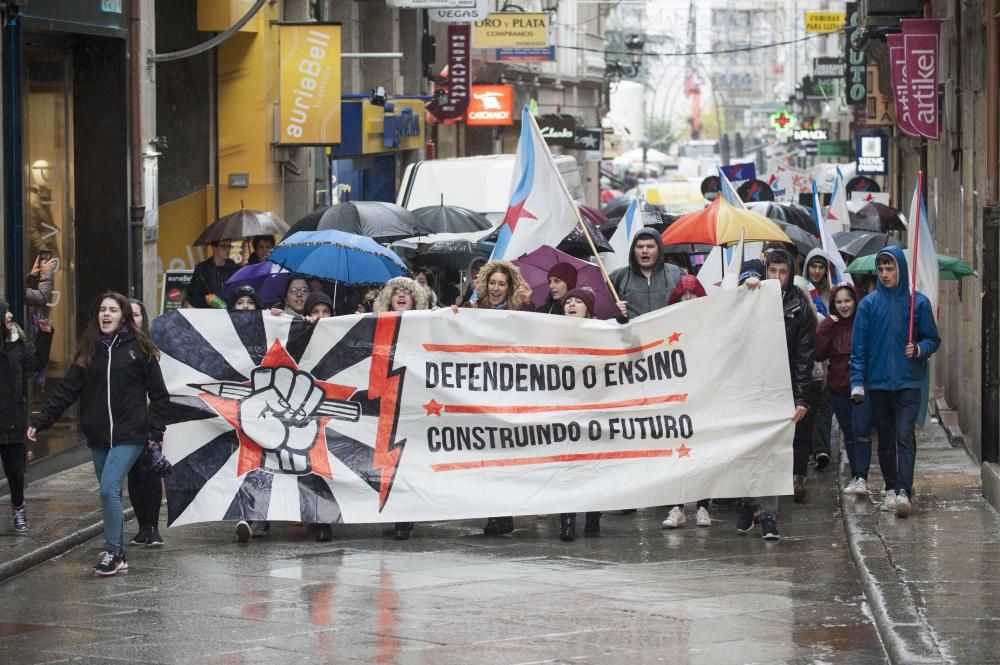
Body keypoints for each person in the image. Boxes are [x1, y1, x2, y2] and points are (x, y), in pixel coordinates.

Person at [28, 292, 169, 576]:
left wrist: (154, 430)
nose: (106, 314)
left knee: (108, 488)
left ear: (123, 316)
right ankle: (118, 551)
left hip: (131, 434)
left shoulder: (139, 347)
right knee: (110, 493)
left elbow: (160, 396)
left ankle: (113, 551)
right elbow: (67, 390)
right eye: (102, 309)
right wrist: (40, 421)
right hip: (99, 435)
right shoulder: (89, 350)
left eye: (113, 310)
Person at [850, 247, 940, 517]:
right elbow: (859, 347)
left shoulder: (918, 303)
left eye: (890, 268)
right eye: (881, 269)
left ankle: (904, 490)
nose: (886, 274)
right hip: (878, 384)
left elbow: (933, 339)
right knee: (886, 439)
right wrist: (857, 381)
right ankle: (890, 487)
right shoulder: (868, 305)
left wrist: (920, 349)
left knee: (904, 435)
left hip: (908, 382)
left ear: (900, 269)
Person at [739, 249, 814, 539]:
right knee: (749, 449)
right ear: (765, 270)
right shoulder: (752, 296)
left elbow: (804, 357)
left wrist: (801, 397)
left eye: (783, 272)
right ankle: (747, 502)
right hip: (748, 386)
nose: (777, 278)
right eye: (773, 271)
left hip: (779, 387)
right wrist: (747, 286)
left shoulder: (800, 306)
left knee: (773, 453)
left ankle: (769, 515)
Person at [457, 260, 532, 535]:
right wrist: (456, 314)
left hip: (509, 393)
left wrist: (528, 307)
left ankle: (505, 512)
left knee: (505, 457)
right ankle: (492, 512)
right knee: (485, 459)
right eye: (492, 283)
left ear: (509, 286)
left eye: (502, 284)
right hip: (480, 393)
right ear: (484, 283)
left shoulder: (519, 311)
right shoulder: (473, 309)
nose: (496, 288)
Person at [374, 276, 430, 540]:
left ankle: (405, 519)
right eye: (396, 290)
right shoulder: (374, 325)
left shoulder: (426, 325)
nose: (401, 294)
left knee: (409, 459)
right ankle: (399, 517)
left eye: (407, 292)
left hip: (415, 403)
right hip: (387, 401)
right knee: (390, 458)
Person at [661, 276, 713, 529]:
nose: (689, 299)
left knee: (703, 453)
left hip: (703, 398)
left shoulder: (710, 326)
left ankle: (703, 506)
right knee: (677, 454)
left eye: (693, 294)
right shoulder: (667, 326)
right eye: (684, 295)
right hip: (678, 400)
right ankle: (678, 506)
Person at [816, 285, 872, 497]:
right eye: (839, 302)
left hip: (861, 385)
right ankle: (856, 475)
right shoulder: (831, 325)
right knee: (848, 433)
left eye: (847, 300)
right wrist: (828, 324)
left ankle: (862, 476)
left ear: (855, 301)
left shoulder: (862, 322)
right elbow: (819, 353)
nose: (843, 305)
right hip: (838, 387)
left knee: (861, 432)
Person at [0, 302, 52, 533]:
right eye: (5, 312)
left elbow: (36, 363)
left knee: (14, 471)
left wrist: (44, 336)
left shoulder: (16, 343)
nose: (10, 314)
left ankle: (19, 508)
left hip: (12, 418)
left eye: (9, 309)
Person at [558, 287, 602, 540]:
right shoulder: (553, 331)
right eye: (568, 302)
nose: (572, 305)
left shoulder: (601, 332)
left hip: (593, 408)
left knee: (592, 465)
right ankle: (567, 520)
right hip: (565, 409)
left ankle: (594, 515)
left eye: (578, 302)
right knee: (567, 466)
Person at [125, 299, 166, 547]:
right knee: (133, 474)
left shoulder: (148, 348)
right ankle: (142, 526)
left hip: (149, 420)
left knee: (150, 472)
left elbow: (160, 391)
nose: (133, 319)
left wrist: (157, 426)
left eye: (137, 315)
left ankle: (152, 527)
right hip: (125, 422)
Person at [800, 249, 837, 472]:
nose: (816, 271)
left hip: (830, 360)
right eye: (813, 266)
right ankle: (813, 449)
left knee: (825, 407)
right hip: (809, 362)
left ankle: (821, 449)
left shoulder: (833, 294)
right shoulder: (800, 290)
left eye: (821, 267)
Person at [610, 228, 683, 320]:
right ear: (633, 250)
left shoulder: (676, 274)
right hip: (632, 333)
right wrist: (613, 310)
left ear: (659, 249)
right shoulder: (618, 277)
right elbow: (601, 312)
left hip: (669, 333)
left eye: (650, 246)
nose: (644, 250)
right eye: (640, 247)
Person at [186, 240, 239, 309]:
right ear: (214, 248)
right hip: (208, 315)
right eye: (223, 246)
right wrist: (206, 299)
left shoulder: (236, 269)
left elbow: (240, 294)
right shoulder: (202, 269)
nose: (228, 249)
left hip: (230, 313)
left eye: (229, 246)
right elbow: (192, 297)